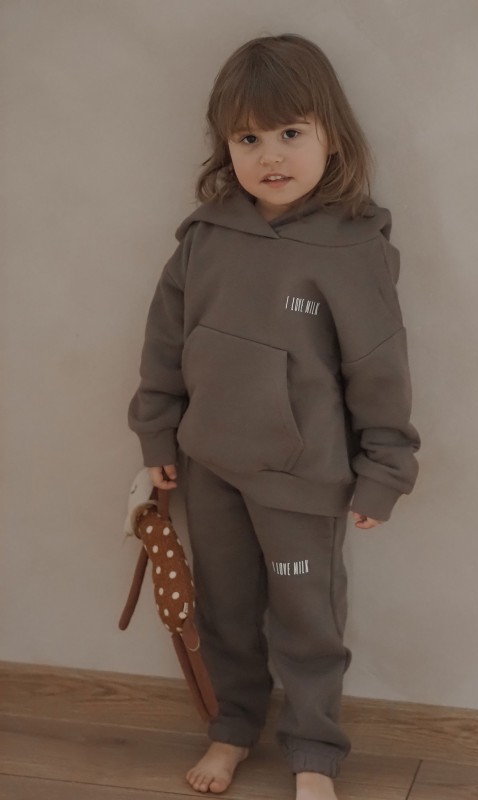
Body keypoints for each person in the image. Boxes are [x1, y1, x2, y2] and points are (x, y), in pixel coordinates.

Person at [127, 32, 421, 800]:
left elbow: (380, 368)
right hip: (211, 467)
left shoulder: (353, 248)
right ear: (226, 146)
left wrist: (385, 470)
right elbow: (165, 343)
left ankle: (314, 751)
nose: (271, 155)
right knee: (226, 612)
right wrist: (156, 433)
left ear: (332, 135)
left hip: (303, 481)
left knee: (306, 618)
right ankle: (231, 727)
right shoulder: (206, 236)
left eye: (291, 132)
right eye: (249, 138)